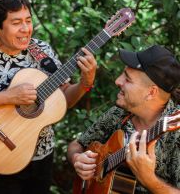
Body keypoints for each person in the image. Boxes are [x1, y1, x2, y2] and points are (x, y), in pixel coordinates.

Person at [0, 0, 97, 194]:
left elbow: (63, 99)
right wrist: (7, 97)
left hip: (41, 157)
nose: (25, 29)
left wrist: (85, 82)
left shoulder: (41, 50)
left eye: (28, 20)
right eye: (16, 23)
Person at [67, 45, 180, 193]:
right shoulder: (119, 112)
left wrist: (149, 180)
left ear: (151, 92)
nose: (117, 81)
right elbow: (77, 145)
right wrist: (77, 158)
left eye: (127, 79)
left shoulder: (175, 134)